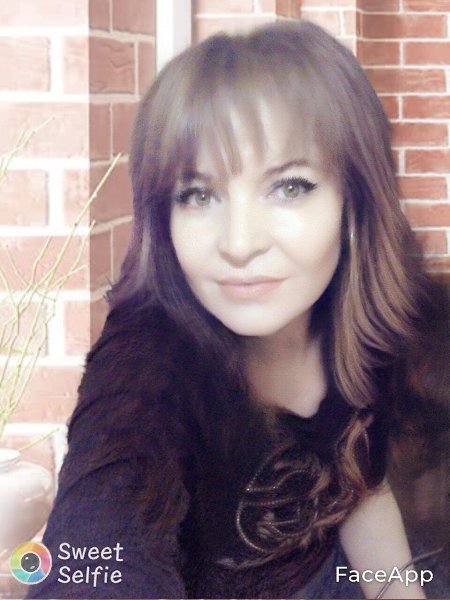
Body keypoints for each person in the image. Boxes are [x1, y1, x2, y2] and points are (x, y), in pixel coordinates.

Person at [27, 20, 448, 599]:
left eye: (289, 187)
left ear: (354, 203)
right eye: (198, 195)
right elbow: (101, 535)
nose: (239, 243)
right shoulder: (144, 359)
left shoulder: (365, 322)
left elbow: (360, 482)